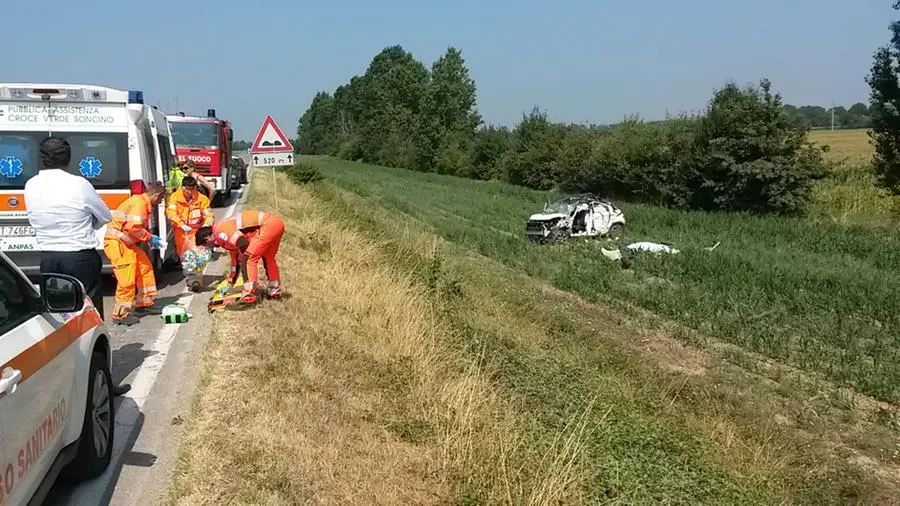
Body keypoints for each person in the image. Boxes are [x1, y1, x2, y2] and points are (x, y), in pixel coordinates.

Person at [24, 136, 131, 395]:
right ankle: (100, 381)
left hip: (49, 258)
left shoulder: (31, 185)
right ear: (68, 158)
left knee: (56, 319)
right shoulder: (79, 184)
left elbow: (33, 218)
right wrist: (86, 226)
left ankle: (61, 384)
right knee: (90, 319)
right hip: (79, 256)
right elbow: (105, 216)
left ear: (42, 158)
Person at [103, 181, 167, 326]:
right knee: (127, 280)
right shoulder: (139, 205)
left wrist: (148, 238)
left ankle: (144, 304)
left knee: (144, 268)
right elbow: (134, 228)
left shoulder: (141, 203)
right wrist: (149, 237)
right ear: (157, 195)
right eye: (161, 199)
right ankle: (120, 314)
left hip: (125, 243)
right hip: (118, 244)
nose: (160, 202)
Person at [199, 209, 285, 303]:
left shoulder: (220, 231)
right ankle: (274, 290)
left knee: (248, 259)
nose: (209, 248)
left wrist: (245, 259)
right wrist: (230, 284)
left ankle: (249, 295)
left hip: (267, 225)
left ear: (207, 239)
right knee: (268, 258)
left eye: (205, 245)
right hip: (276, 225)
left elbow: (243, 243)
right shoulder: (225, 240)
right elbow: (235, 264)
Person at [166, 176, 214, 292]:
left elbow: (208, 215)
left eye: (192, 189)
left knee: (196, 256)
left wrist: (205, 227)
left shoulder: (202, 199)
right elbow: (171, 212)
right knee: (184, 257)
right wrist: (181, 224)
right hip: (181, 232)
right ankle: (191, 278)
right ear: (182, 187)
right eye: (187, 189)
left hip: (196, 231)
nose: (189, 191)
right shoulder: (175, 197)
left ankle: (195, 281)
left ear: (195, 188)